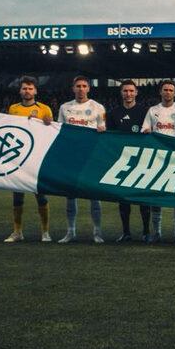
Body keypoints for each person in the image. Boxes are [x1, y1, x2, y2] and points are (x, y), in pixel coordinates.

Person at [57, 75, 107, 244]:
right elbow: (59, 130)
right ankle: (71, 232)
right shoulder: (65, 107)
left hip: (91, 155)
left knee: (94, 194)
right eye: (78, 86)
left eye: (84, 86)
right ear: (73, 88)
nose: (81, 89)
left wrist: (102, 129)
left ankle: (97, 232)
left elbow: (104, 129)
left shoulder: (98, 107)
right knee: (70, 196)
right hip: (71, 156)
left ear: (88, 88)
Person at [4, 75, 52, 242]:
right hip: (18, 158)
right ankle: (17, 232)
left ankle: (45, 232)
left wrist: (48, 124)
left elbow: (51, 133)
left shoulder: (44, 109)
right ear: (20, 90)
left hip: (37, 158)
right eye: (24, 88)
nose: (27, 91)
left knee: (41, 195)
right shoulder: (13, 109)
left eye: (30, 88)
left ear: (35, 91)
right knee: (17, 196)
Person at [142, 80, 175, 242]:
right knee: (157, 196)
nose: (168, 92)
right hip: (158, 159)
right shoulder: (153, 110)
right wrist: (146, 131)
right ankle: (157, 233)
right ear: (160, 92)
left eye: (171, 90)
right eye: (165, 90)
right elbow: (144, 130)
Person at [106, 80, 149, 242]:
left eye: (131, 91)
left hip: (141, 160)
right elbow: (109, 138)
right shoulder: (114, 113)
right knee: (123, 199)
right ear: (121, 93)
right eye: (125, 91)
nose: (128, 94)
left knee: (142, 197)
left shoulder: (145, 112)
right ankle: (126, 233)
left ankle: (146, 232)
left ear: (136, 92)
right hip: (122, 161)